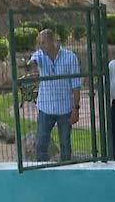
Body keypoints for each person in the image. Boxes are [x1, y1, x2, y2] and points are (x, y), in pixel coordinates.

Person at [27, 29, 82, 162]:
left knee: (65, 145)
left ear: (53, 41)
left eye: (44, 42)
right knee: (41, 144)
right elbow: (33, 62)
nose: (41, 45)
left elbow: (76, 85)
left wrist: (76, 108)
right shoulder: (40, 54)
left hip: (65, 108)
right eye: (39, 43)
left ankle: (66, 171)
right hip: (45, 107)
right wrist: (30, 65)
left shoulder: (70, 57)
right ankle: (44, 172)